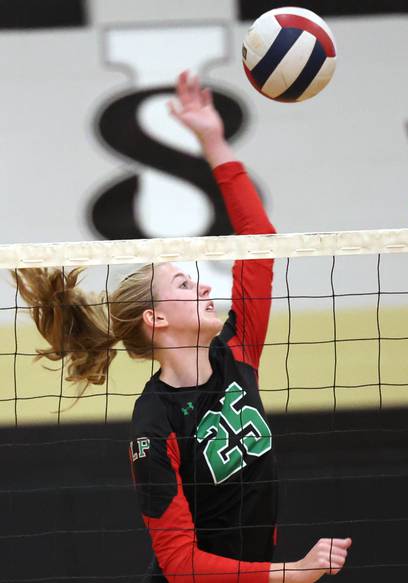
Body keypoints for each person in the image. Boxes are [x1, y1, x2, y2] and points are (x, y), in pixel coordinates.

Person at [15, 71, 351, 582]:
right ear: (157, 319)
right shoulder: (154, 426)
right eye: (182, 284)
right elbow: (179, 565)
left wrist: (213, 140)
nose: (202, 287)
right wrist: (291, 574)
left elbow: (257, 240)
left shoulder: (236, 352)